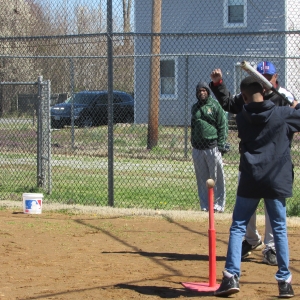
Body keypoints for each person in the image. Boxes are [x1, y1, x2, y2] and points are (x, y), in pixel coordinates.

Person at [215, 76, 298, 298]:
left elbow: (245, 106)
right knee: (279, 229)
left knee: (238, 227)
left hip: (251, 178)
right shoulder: (283, 114)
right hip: (275, 178)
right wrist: (295, 107)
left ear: (244, 96)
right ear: (266, 89)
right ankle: (284, 282)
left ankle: (231, 276)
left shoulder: (241, 117)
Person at [191, 81, 228, 213]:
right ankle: (206, 205)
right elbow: (193, 125)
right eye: (199, 91)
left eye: (204, 90)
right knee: (202, 178)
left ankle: (219, 205)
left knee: (216, 176)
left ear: (208, 91)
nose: (202, 93)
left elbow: (222, 125)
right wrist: (193, 142)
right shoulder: (195, 108)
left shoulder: (215, 105)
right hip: (198, 148)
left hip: (212, 147)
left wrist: (221, 144)